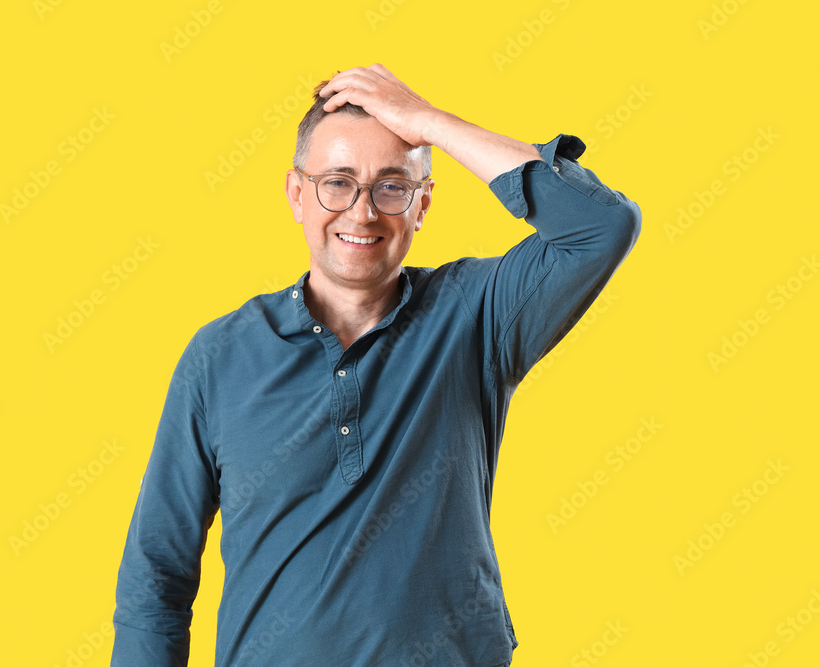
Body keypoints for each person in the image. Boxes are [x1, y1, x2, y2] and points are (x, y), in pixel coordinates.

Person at [111, 64, 641, 666]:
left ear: (423, 205)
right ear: (296, 195)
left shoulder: (476, 316)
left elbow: (601, 225)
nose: (362, 213)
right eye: (337, 183)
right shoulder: (219, 357)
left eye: (392, 187)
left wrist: (428, 123)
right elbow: (156, 573)